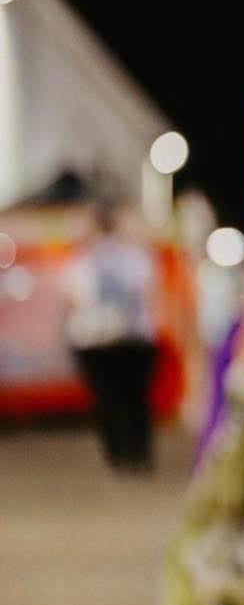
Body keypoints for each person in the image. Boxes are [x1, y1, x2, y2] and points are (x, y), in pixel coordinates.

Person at [63, 200, 160, 472]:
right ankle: (138, 453)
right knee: (135, 400)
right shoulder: (136, 255)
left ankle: (118, 454)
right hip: (134, 338)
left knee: (108, 401)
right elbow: (150, 294)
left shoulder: (82, 259)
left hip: (96, 340)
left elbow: (73, 300)